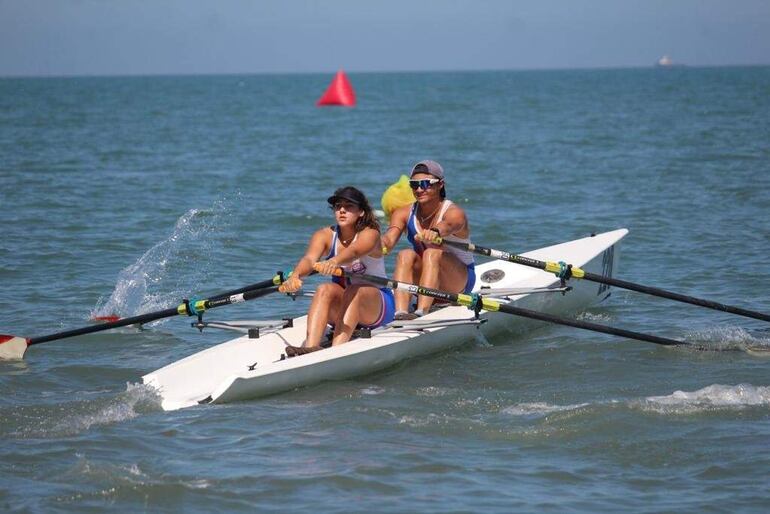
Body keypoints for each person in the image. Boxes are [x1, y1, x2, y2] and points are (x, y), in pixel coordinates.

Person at [278, 186, 395, 355]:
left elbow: (355, 251)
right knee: (324, 288)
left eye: (349, 207)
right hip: (345, 305)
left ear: (361, 212)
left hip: (378, 307)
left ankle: (335, 352)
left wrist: (334, 261)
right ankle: (310, 347)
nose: (342, 210)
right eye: (338, 206)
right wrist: (295, 276)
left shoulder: (371, 234)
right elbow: (309, 259)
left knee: (355, 290)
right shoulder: (324, 235)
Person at [381, 160, 475, 320]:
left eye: (425, 184)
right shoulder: (403, 213)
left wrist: (435, 231)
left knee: (432, 253)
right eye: (414, 184)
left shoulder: (454, 212)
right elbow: (389, 240)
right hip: (425, 279)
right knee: (405, 254)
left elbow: (450, 225)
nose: (419, 189)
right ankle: (401, 313)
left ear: (440, 185)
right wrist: (374, 243)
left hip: (458, 282)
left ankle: (422, 312)